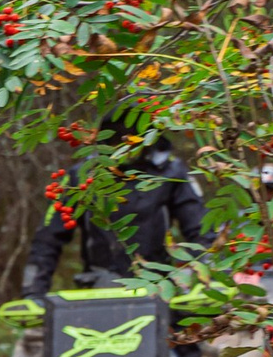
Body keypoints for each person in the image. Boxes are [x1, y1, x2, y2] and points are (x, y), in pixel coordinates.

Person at [23, 119, 207, 297]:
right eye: (116, 137)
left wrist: (204, 280)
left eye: (132, 137)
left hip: (158, 288)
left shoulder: (171, 172)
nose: (124, 144)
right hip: (99, 292)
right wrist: (34, 293)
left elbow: (201, 229)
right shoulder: (81, 176)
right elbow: (47, 238)